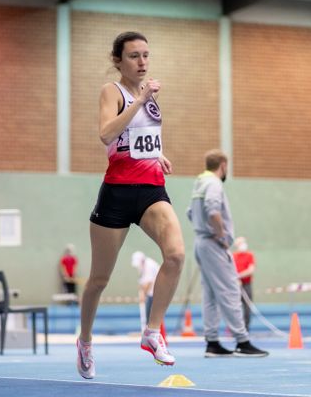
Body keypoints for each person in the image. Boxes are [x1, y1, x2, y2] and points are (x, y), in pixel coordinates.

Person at [77, 31, 185, 379]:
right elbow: (107, 134)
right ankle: (86, 341)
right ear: (118, 61)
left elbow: (137, 137)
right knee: (99, 279)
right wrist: (139, 100)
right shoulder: (114, 91)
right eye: (135, 56)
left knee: (176, 255)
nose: (142, 62)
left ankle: (152, 333)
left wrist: (158, 154)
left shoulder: (149, 96)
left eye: (146, 55)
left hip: (151, 189)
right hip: (117, 193)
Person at [187, 149, 268, 358]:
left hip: (201, 242)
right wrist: (222, 236)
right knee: (230, 290)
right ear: (223, 165)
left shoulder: (199, 182)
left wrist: (205, 231)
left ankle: (212, 342)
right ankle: (242, 341)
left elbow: (190, 213)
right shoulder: (214, 183)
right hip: (213, 245)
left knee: (211, 294)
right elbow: (213, 209)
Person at [131, 251, 161, 328]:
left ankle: (150, 331)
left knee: (151, 316)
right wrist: (141, 292)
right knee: (148, 315)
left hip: (155, 293)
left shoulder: (149, 265)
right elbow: (142, 282)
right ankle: (147, 329)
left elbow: (149, 282)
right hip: (151, 293)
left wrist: (143, 295)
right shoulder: (142, 267)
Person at [232, 236, 256, 331]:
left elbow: (251, 270)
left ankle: (245, 328)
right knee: (234, 307)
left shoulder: (249, 255)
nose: (242, 245)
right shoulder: (233, 256)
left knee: (247, 307)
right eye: (240, 243)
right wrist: (235, 279)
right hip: (235, 285)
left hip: (246, 285)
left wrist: (239, 276)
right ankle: (235, 328)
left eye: (243, 242)